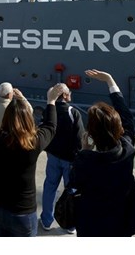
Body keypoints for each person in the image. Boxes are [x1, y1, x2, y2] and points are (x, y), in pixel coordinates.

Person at [69, 69, 135, 237]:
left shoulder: (84, 160)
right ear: (118, 127)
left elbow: (74, 183)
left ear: (91, 132)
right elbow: (126, 117)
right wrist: (110, 81)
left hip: (92, 224)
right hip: (123, 220)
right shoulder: (127, 149)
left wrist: (85, 150)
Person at [0, 86, 60, 237]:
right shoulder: (32, 144)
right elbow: (50, 126)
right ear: (28, 120)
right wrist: (51, 101)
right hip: (21, 211)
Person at [40, 83, 84, 233]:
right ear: (65, 95)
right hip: (69, 160)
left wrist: (47, 149)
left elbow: (44, 131)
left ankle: (46, 220)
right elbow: (80, 139)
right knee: (71, 190)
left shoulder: (49, 110)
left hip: (52, 156)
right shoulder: (73, 112)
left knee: (49, 187)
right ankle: (70, 224)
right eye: (69, 92)